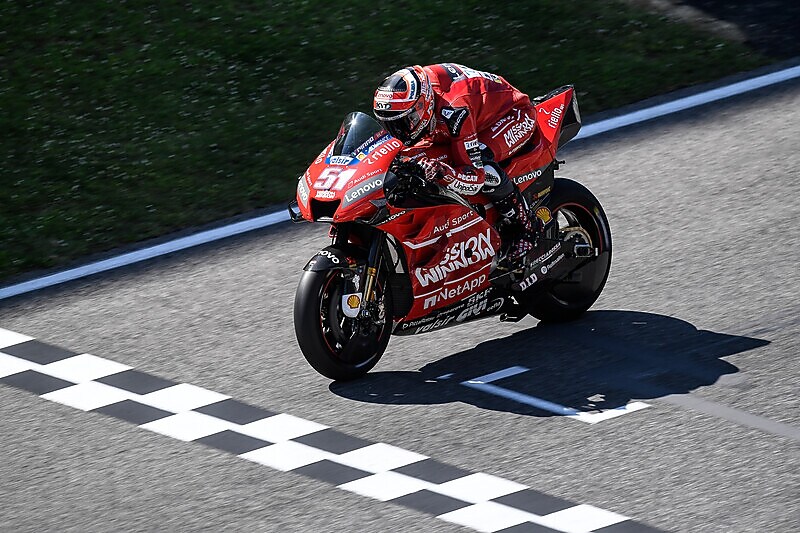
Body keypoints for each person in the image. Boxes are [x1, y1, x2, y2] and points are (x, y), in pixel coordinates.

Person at [372, 63, 543, 269]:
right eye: (388, 125)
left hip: (512, 115)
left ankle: (527, 228)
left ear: (422, 105)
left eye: (404, 123)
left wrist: (443, 172)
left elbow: (475, 176)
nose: (397, 132)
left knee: (484, 167)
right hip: (472, 117)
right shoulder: (419, 99)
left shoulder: (454, 109)